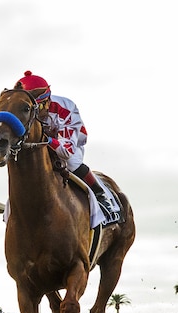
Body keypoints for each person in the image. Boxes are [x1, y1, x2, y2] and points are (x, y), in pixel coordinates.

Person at [14, 71, 115, 213]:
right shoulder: (19, 111)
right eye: (31, 110)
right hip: (39, 144)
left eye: (40, 108)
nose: (36, 114)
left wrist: (46, 140)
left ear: (47, 100)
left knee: (72, 162)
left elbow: (66, 151)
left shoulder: (65, 108)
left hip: (69, 142)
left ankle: (100, 195)